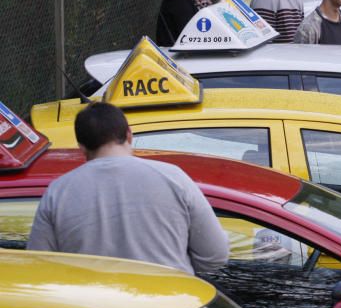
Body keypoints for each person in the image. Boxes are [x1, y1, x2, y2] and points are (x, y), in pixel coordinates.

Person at [27, 102, 229, 275]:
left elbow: (39, 267)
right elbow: (216, 255)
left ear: (81, 146)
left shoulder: (58, 192)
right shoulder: (173, 177)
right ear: (129, 135)